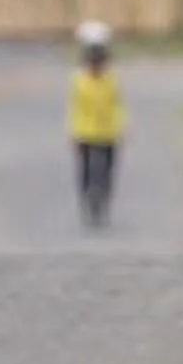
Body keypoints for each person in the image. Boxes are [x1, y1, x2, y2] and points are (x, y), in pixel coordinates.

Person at [69, 21, 125, 228]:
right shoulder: (79, 79)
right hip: (85, 131)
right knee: (86, 171)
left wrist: (121, 126)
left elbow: (117, 104)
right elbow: (76, 107)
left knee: (107, 170)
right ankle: (88, 202)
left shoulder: (111, 78)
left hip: (108, 131)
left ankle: (103, 203)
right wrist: (74, 131)